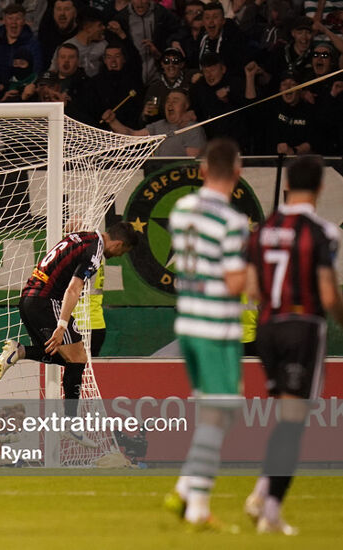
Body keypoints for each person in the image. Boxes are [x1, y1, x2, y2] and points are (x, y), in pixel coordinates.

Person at [243, 155, 343, 534]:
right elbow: (329, 294)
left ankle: (262, 494)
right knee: (293, 422)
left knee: (288, 420)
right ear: (319, 187)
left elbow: (252, 287)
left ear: (287, 185)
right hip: (302, 327)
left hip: (267, 328)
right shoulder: (322, 231)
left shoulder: (264, 228)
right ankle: (268, 508)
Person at [163, 138, 248, 529]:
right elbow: (233, 283)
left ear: (200, 171)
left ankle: (185, 488)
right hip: (216, 325)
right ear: (237, 172)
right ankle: (197, 504)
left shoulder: (180, 211)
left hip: (188, 322)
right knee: (221, 412)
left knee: (214, 412)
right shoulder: (232, 222)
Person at [0, 221, 138, 447]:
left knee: (66, 358)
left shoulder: (82, 236)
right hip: (46, 302)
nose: (119, 255)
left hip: (28, 299)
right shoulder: (95, 252)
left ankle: (21, 351)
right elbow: (73, 288)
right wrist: (62, 324)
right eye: (123, 251)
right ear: (119, 243)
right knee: (78, 358)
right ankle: (70, 425)